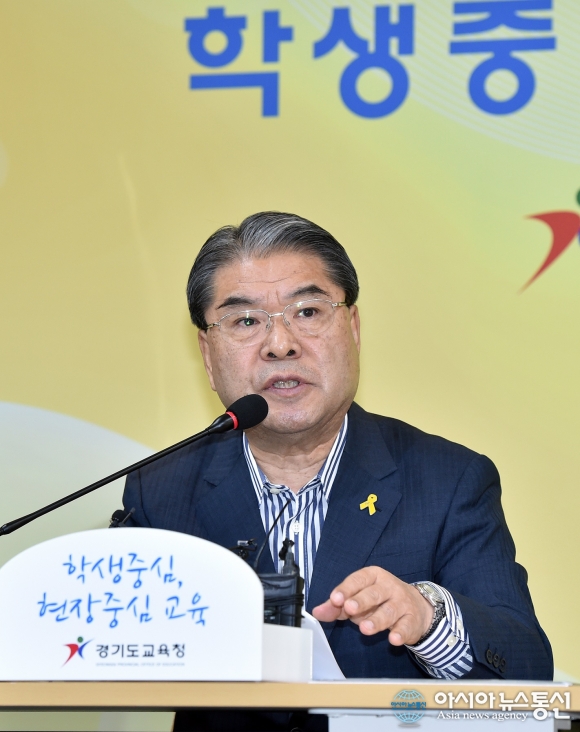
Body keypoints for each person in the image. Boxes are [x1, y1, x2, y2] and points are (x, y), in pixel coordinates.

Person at [122, 211, 552, 732]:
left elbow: (527, 672)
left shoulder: (449, 480)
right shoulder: (160, 489)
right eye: (246, 321)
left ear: (352, 328)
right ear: (208, 355)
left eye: (307, 311)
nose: (280, 344)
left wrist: (427, 618)